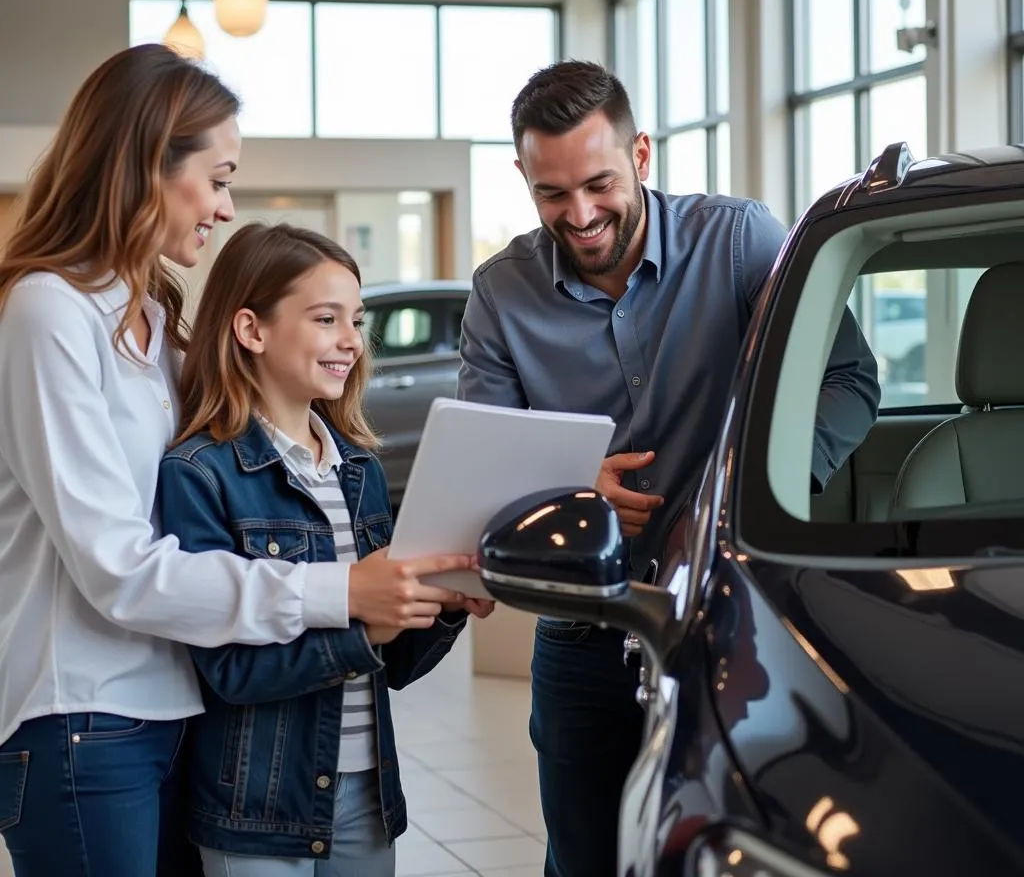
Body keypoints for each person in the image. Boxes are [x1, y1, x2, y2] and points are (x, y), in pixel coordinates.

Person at [0, 44, 469, 877]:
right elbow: (116, 567)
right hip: (82, 718)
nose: (223, 206)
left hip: (177, 710)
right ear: (148, 164)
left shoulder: (151, 322)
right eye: (216, 178)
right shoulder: (49, 309)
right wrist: (341, 592)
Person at [456, 60, 880, 877]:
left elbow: (849, 382)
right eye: (551, 194)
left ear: (641, 155)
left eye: (598, 183)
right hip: (587, 627)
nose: (579, 215)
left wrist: (751, 485)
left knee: (729, 851)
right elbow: (488, 476)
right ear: (522, 177)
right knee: (583, 860)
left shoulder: (741, 240)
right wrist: (576, 496)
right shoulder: (500, 295)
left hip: (737, 620)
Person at [157, 221, 493, 877]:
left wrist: (445, 605)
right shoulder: (199, 473)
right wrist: (366, 631)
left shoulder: (360, 469)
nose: (351, 341)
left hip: (366, 796)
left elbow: (393, 666)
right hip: (255, 807)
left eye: (356, 319)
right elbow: (228, 669)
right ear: (251, 329)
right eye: (325, 318)